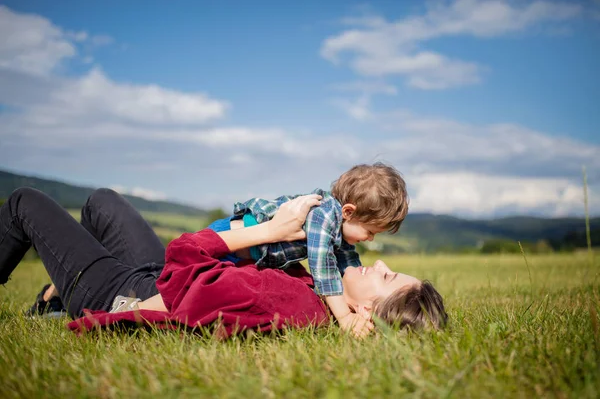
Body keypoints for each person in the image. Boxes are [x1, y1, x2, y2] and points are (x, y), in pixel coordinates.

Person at [0, 187, 447, 337]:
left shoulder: (285, 301)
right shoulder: (313, 288)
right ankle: (52, 294)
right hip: (156, 277)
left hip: (125, 292)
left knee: (23, 201)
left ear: (368, 311)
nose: (380, 260)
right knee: (102, 201)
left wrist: (268, 231)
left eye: (387, 278)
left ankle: (72, 291)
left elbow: (182, 257)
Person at [202, 162, 410, 336]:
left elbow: (348, 262)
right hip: (231, 242)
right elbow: (323, 267)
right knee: (207, 286)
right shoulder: (324, 216)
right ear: (348, 212)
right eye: (370, 231)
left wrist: (355, 298)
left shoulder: (341, 226)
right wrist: (345, 317)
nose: (370, 238)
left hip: (249, 255)